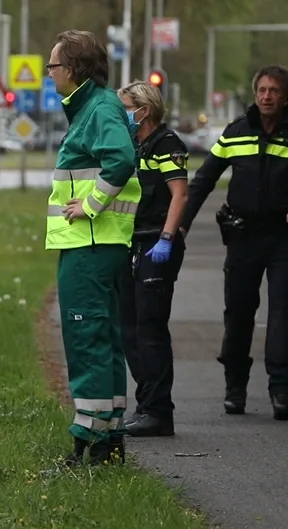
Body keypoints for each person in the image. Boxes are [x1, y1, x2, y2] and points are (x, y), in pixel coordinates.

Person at [180, 65, 288, 420]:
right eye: (261, 90)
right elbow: (203, 180)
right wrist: (180, 225)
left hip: (284, 238)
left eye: (274, 90)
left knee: (281, 313)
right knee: (238, 314)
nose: (266, 96)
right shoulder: (236, 132)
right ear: (254, 93)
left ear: (286, 95)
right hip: (243, 236)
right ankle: (235, 387)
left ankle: (282, 391)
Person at [44, 30, 142, 466]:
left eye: (53, 66)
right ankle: (108, 439)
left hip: (91, 242)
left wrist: (89, 204)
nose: (49, 74)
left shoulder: (99, 108)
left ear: (73, 70)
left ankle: (89, 441)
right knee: (103, 339)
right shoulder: (93, 107)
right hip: (95, 244)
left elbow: (121, 160)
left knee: (86, 338)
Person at [115, 81, 190, 438]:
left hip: (156, 244)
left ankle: (159, 411)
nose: (122, 113)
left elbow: (179, 194)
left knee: (150, 328)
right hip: (133, 242)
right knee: (129, 327)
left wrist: (167, 237)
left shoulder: (166, 144)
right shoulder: (135, 145)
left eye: (125, 106)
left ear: (143, 110)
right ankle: (146, 404)